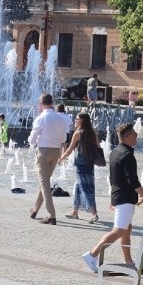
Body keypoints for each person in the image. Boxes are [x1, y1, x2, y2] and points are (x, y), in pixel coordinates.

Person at [83, 123, 143, 272]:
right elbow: (133, 181)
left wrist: (113, 199)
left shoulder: (116, 151)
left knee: (126, 230)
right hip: (125, 198)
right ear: (128, 137)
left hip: (120, 197)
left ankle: (128, 261)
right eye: (135, 135)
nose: (136, 137)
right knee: (118, 231)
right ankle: (92, 255)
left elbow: (113, 178)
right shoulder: (127, 155)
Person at [27, 93, 67, 225]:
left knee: (44, 184)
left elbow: (31, 140)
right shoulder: (60, 118)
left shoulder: (41, 118)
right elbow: (64, 139)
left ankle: (51, 215)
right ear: (52, 102)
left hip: (43, 152)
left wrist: (37, 139)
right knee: (44, 182)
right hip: (56, 152)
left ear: (41, 104)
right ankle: (34, 210)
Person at [59, 112, 101, 223]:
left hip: (81, 164)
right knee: (79, 187)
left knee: (85, 188)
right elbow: (99, 147)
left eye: (77, 119)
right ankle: (75, 212)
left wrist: (60, 158)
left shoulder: (78, 133)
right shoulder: (93, 133)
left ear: (82, 121)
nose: (75, 121)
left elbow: (69, 150)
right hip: (89, 164)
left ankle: (94, 213)